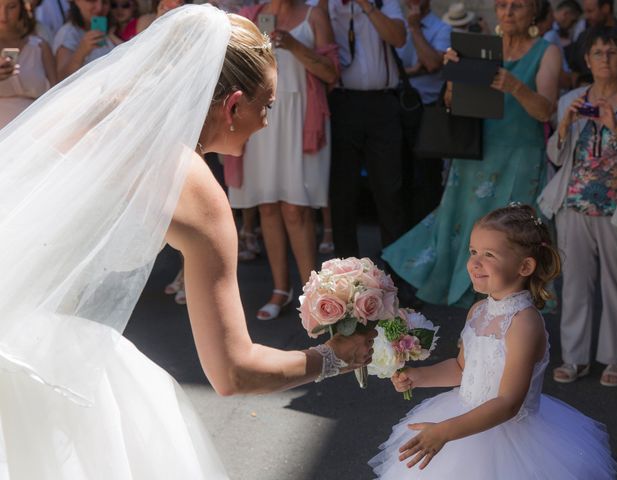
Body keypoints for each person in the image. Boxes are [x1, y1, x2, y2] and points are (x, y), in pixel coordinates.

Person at [0, 6, 375, 478]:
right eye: (268, 105)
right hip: (42, 367)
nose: (266, 122)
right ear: (233, 104)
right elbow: (235, 372)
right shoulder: (192, 188)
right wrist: (335, 358)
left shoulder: (76, 116)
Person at [370, 204, 617, 479]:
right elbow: (462, 370)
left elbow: (509, 402)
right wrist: (418, 376)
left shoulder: (524, 323)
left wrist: (445, 431)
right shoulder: (479, 311)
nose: (475, 263)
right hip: (462, 418)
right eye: (473, 251)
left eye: (489, 255)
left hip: (507, 437)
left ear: (525, 266)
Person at [382, 0, 562, 308]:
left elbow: (545, 111)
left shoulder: (547, 51)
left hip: (520, 157)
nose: (507, 12)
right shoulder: (479, 47)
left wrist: (516, 87)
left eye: (516, 6)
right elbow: (453, 104)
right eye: (502, 5)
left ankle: (515, 313)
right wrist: (455, 76)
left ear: (534, 10)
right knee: (468, 231)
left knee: (513, 238)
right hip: (475, 154)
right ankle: (477, 312)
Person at [538, 26, 617, 387]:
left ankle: (616, 358)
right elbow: (556, 155)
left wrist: (616, 120)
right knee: (576, 283)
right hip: (575, 201)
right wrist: (564, 124)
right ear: (587, 60)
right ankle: (574, 357)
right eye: (598, 53)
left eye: (612, 52)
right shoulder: (572, 99)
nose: (606, 59)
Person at [228, 0, 339, 320]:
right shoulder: (251, 16)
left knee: (295, 207)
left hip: (301, 117)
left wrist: (294, 46)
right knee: (267, 205)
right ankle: (280, 288)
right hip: (263, 118)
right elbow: (235, 68)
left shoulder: (313, 14)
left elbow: (330, 73)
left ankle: (313, 295)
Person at [311, 0, 407, 261]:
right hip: (342, 103)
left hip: (383, 104)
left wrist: (367, 5)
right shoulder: (322, 6)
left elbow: (399, 38)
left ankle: (397, 275)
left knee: (390, 191)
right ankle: (346, 274)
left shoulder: (384, 2)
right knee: (342, 193)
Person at [396, 0, 450, 228]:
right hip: (396, 108)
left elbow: (432, 63)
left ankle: (426, 240)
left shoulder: (442, 28)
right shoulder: (395, 24)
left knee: (426, 181)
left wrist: (415, 28)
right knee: (398, 179)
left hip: (426, 113)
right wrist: (411, 71)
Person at [0, 0, 56, 129]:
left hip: (37, 131)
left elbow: (56, 94)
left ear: (22, 7)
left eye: (11, 7)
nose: (3, 14)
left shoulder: (39, 46)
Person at [53, 0, 117, 80]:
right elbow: (61, 79)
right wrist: (81, 52)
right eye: (92, 1)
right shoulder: (68, 34)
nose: (99, 8)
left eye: (105, 2)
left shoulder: (113, 30)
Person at [566, 0, 617, 86]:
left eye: (590, 11)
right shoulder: (583, 37)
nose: (587, 16)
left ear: (606, 8)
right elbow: (574, 69)